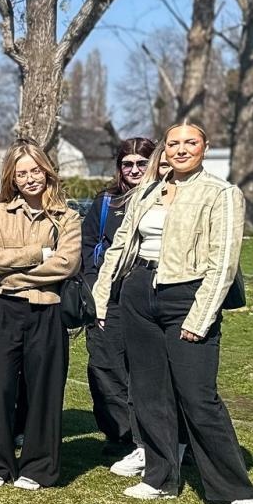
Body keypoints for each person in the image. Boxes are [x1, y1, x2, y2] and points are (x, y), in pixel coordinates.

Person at [94, 123, 253, 504]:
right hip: (138, 292)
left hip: (186, 295)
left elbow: (223, 262)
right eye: (174, 143)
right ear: (163, 151)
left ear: (205, 147)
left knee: (198, 398)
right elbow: (120, 244)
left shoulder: (221, 193)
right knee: (149, 392)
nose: (181, 149)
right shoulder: (148, 190)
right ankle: (160, 477)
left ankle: (237, 493)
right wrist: (102, 295)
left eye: (191, 142)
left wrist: (200, 316)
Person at [0, 142, 81, 489]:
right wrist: (38, 253)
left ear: (47, 172)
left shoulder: (67, 216)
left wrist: (13, 273)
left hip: (47, 309)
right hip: (4, 309)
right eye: (22, 173)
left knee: (44, 390)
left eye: (35, 170)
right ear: (12, 178)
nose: (30, 178)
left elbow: (65, 264)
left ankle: (38, 468)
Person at [82, 137, 156, 473]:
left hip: (146, 296)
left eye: (142, 162)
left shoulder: (164, 198)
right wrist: (91, 286)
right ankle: (118, 433)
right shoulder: (106, 202)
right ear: (119, 167)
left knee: (145, 370)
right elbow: (87, 246)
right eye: (128, 163)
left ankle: (150, 440)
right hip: (106, 297)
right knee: (105, 367)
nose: (135, 169)